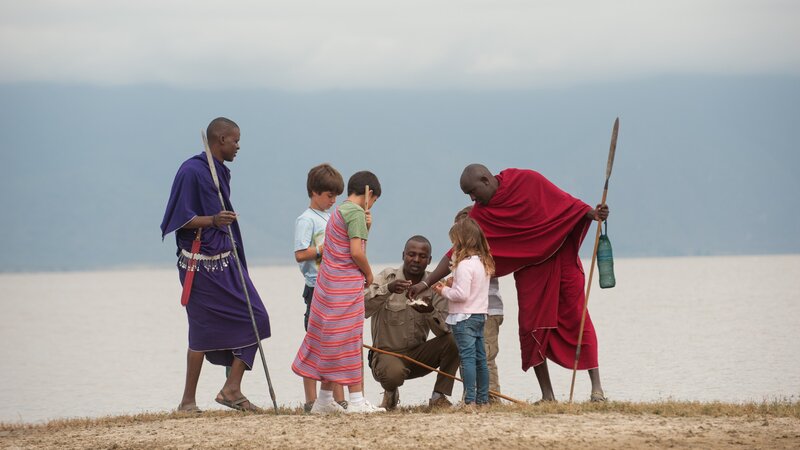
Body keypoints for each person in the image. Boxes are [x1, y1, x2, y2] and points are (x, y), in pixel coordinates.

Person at [410, 164, 610, 403]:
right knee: (530, 327)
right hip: (529, 270)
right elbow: (454, 253)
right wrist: (426, 283)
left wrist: (592, 214)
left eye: (473, 192)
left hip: (560, 256)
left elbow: (564, 203)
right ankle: (548, 395)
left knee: (578, 317)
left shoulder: (525, 180)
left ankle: (596, 389)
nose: (472, 198)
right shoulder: (480, 215)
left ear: (486, 180)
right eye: (468, 196)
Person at [160, 117, 270, 413]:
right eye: (235, 140)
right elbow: (177, 219)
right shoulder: (191, 171)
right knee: (201, 330)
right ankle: (187, 402)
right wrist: (212, 220)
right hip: (198, 265)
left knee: (257, 317)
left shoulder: (219, 171)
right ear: (220, 139)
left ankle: (231, 388)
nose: (238, 146)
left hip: (226, 260)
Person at [292, 171, 385, 414]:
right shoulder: (354, 213)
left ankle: (323, 401)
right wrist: (369, 274)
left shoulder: (339, 212)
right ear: (370, 195)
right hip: (345, 289)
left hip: (328, 287)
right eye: (374, 201)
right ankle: (356, 400)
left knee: (332, 342)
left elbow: (345, 247)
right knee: (350, 340)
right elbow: (356, 252)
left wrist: (367, 228)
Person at [364, 235, 460, 410]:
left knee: (456, 340)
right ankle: (390, 393)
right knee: (393, 375)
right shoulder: (387, 276)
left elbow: (445, 331)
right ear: (403, 255)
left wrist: (430, 312)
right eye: (411, 254)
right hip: (387, 356)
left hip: (418, 357)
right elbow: (363, 307)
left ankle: (439, 396)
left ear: (429, 260)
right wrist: (388, 289)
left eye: (422, 256)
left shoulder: (435, 286)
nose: (416, 259)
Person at [293, 163, 347, 412]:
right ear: (314, 192)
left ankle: (338, 397)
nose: (333, 200)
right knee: (315, 341)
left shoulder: (331, 217)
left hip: (333, 286)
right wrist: (323, 250)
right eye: (329, 195)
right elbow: (300, 254)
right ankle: (310, 399)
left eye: (336, 196)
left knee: (335, 342)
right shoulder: (306, 220)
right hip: (316, 287)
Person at [432, 218, 493, 406]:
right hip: (479, 316)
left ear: (461, 241)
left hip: (463, 318)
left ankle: (469, 400)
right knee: (481, 359)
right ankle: (482, 399)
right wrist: (454, 282)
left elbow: (461, 295)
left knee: (467, 359)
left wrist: (442, 290)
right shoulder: (483, 263)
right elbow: (474, 289)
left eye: (454, 242)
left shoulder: (464, 265)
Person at [455, 206, 504, 402]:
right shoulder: (474, 259)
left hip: (486, 312)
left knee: (485, 357)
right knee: (472, 356)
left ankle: (490, 397)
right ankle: (474, 396)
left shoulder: (481, 258)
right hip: (476, 312)